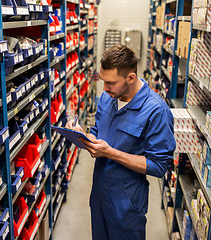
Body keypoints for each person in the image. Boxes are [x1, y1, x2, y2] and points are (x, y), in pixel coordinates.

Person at [66, 44, 176, 240]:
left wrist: (110, 153)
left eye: (111, 83)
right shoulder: (108, 98)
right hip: (100, 193)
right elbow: (97, 132)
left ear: (131, 78)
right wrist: (83, 136)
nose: (105, 88)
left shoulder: (156, 110)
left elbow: (159, 166)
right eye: (103, 81)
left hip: (126, 203)